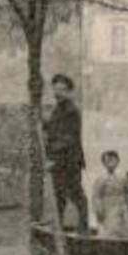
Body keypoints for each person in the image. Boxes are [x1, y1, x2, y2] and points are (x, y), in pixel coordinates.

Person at [43, 73, 88, 232]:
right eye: (55, 89)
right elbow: (55, 129)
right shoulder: (58, 109)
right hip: (60, 161)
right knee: (59, 195)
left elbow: (67, 138)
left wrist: (52, 159)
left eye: (62, 89)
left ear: (69, 91)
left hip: (69, 161)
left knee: (75, 194)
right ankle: (58, 226)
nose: (58, 92)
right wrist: (44, 124)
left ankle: (83, 226)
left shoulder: (71, 110)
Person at [92, 150, 128, 238]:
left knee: (124, 229)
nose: (110, 163)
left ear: (117, 161)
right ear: (103, 163)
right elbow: (96, 195)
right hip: (108, 205)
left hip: (122, 205)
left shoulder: (123, 175)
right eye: (107, 161)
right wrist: (99, 210)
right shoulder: (101, 177)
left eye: (112, 160)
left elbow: (127, 191)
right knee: (110, 229)